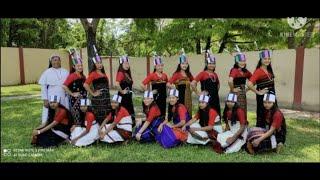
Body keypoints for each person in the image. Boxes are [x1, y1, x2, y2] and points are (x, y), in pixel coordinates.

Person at [38, 54, 69, 128]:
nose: (56, 61)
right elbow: (43, 86)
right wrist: (45, 99)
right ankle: (46, 125)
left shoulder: (65, 71)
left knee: (63, 110)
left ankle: (62, 126)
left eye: (58, 60)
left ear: (60, 61)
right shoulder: (47, 72)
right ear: (51, 61)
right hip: (51, 95)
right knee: (50, 111)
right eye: (54, 60)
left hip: (63, 95)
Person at [247, 49, 276, 127]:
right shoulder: (258, 71)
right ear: (261, 59)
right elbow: (249, 84)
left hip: (271, 96)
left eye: (269, 58)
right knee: (262, 115)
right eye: (265, 59)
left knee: (271, 114)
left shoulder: (269, 69)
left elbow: (257, 82)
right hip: (263, 98)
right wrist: (258, 92)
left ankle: (270, 131)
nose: (267, 60)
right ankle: (260, 133)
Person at [83, 55, 111, 124]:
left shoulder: (103, 74)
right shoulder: (93, 74)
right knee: (100, 115)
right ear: (94, 65)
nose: (99, 65)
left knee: (107, 114)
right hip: (99, 100)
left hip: (106, 98)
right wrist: (93, 93)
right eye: (97, 63)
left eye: (100, 63)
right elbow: (85, 85)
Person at [191, 51, 221, 116]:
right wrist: (198, 93)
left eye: (213, 63)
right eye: (210, 63)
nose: (211, 65)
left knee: (216, 114)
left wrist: (215, 92)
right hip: (206, 98)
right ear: (206, 64)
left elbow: (218, 84)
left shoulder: (215, 74)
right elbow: (193, 83)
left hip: (215, 98)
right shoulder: (203, 73)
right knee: (206, 114)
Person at [62, 49, 87, 125]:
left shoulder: (83, 76)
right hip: (75, 100)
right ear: (74, 66)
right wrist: (72, 94)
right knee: (77, 115)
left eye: (81, 65)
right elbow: (64, 86)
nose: (80, 67)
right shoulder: (72, 75)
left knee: (84, 115)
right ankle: (77, 132)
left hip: (84, 98)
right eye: (78, 66)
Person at [167, 51, 195, 116]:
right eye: (183, 64)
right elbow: (168, 84)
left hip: (187, 96)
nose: (184, 65)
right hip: (179, 95)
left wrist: (192, 89)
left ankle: (187, 120)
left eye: (186, 64)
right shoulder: (176, 74)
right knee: (180, 109)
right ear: (180, 65)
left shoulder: (189, 74)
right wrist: (173, 87)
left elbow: (194, 81)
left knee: (187, 108)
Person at [228, 53, 252, 118]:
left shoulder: (246, 71)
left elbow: (253, 80)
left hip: (242, 93)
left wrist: (247, 89)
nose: (243, 63)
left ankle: (242, 124)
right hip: (235, 93)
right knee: (234, 108)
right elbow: (230, 81)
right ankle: (234, 124)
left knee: (242, 109)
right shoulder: (234, 70)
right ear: (236, 62)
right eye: (241, 61)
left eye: (244, 61)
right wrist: (233, 89)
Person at [116, 55, 135, 126]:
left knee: (129, 112)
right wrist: (122, 91)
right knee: (125, 112)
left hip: (128, 97)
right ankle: (125, 127)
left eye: (128, 63)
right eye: (125, 63)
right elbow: (117, 84)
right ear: (121, 64)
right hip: (123, 98)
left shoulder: (126, 73)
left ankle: (129, 127)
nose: (127, 65)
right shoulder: (121, 73)